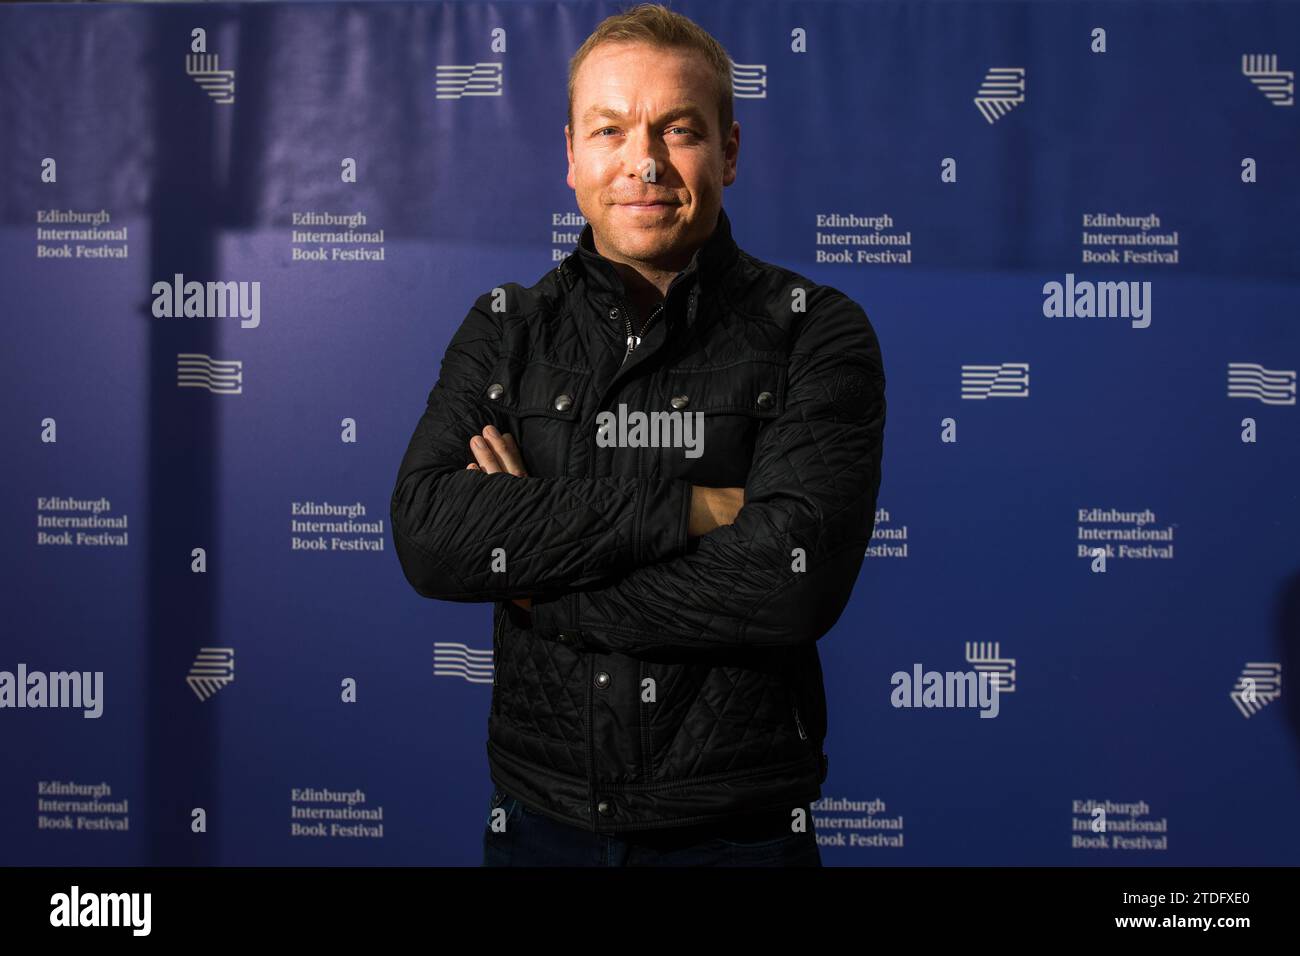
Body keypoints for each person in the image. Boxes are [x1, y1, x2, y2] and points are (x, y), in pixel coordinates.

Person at [390, 2, 886, 866]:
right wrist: (692, 508)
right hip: (539, 825)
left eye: (679, 130)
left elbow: (787, 583)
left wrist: (541, 581)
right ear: (571, 156)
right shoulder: (505, 328)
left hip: (738, 834)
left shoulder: (816, 329)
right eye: (611, 129)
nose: (643, 163)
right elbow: (432, 535)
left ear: (728, 152)